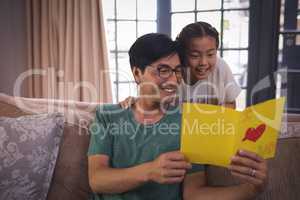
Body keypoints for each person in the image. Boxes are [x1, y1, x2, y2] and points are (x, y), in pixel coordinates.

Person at [88, 33, 268, 200]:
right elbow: (97, 180)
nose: (173, 80)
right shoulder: (107, 116)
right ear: (137, 73)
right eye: (163, 70)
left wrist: (251, 189)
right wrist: (151, 170)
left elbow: (194, 194)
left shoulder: (189, 122)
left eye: (176, 71)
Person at [120, 21, 240, 109]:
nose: (203, 63)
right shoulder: (172, 75)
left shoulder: (221, 67)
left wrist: (206, 116)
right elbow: (153, 103)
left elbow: (231, 103)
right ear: (181, 54)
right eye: (194, 55)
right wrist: (134, 101)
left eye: (210, 54)